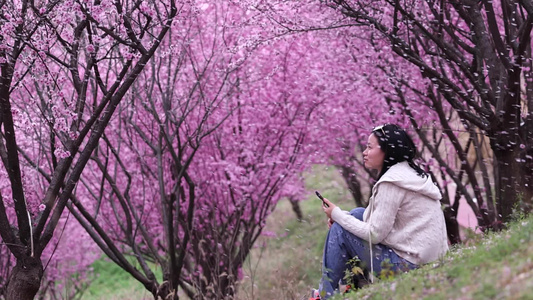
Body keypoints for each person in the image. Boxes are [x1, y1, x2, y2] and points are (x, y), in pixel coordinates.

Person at [312, 124, 449, 299]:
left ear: (387, 150)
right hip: (428, 257)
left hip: (408, 266)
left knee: (340, 229)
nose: (364, 152)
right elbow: (370, 219)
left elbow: (375, 234)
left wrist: (337, 215)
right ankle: (351, 284)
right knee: (356, 214)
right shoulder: (408, 172)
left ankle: (325, 295)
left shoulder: (391, 183)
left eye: (370, 147)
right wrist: (342, 217)